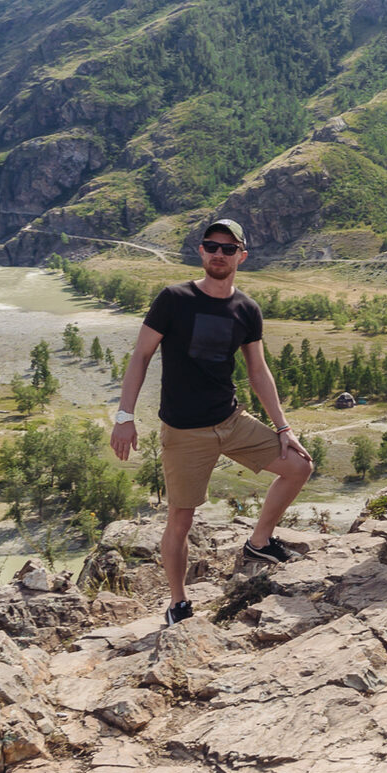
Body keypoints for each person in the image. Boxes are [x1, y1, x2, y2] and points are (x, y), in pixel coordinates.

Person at [111, 218, 312, 625]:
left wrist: (283, 428)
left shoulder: (246, 309)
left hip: (231, 420)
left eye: (228, 247)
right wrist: (124, 417)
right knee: (181, 519)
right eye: (212, 246)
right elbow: (141, 356)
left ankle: (258, 541)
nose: (219, 254)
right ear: (201, 251)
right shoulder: (174, 299)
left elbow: (258, 371)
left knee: (299, 466)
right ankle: (178, 601)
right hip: (184, 432)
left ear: (242, 255)